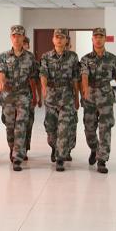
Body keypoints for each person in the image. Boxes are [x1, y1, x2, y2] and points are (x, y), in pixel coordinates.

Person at [81, 28, 116, 173]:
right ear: (92, 39)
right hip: (90, 97)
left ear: (105, 39)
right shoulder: (85, 59)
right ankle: (94, 149)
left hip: (106, 96)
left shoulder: (113, 59)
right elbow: (84, 75)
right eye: (96, 36)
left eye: (101, 36)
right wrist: (85, 90)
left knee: (105, 128)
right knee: (89, 129)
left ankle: (102, 160)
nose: (98, 39)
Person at [0, 25, 40, 171]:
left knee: (21, 125)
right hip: (8, 95)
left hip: (23, 94)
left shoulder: (30, 57)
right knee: (10, 126)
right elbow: (1, 71)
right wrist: (2, 82)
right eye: (14, 36)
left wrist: (35, 95)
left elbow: (33, 78)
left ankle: (18, 157)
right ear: (11, 37)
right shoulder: (4, 56)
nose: (16, 38)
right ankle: (12, 148)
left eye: (19, 36)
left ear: (23, 38)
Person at [40, 28, 80, 172]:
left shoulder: (73, 57)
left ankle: (60, 158)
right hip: (51, 97)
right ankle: (54, 147)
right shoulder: (46, 56)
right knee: (51, 128)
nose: (59, 40)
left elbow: (75, 78)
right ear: (53, 39)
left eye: (62, 37)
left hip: (67, 97)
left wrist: (77, 97)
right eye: (57, 37)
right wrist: (44, 88)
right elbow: (43, 73)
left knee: (64, 128)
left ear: (66, 40)